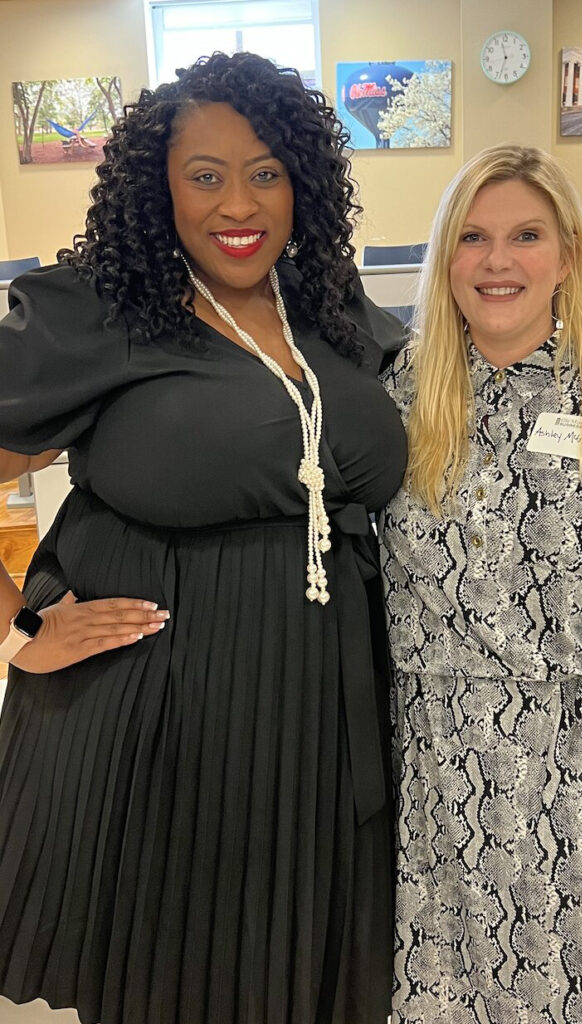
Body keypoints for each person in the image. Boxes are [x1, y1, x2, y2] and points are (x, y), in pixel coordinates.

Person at [0, 52, 407, 1024]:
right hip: (160, 712)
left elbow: (438, 396)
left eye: (266, 172)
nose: (239, 204)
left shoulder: (325, 304)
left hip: (323, 703)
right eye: (205, 174)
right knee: (176, 972)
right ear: (160, 187)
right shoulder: (103, 308)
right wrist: (17, 630)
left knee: (304, 969)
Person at [380, 144, 582, 1024]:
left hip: (580, 773)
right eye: (472, 236)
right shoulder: (400, 390)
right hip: (431, 778)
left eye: (525, 235)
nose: (497, 260)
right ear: (446, 256)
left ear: (566, 254)